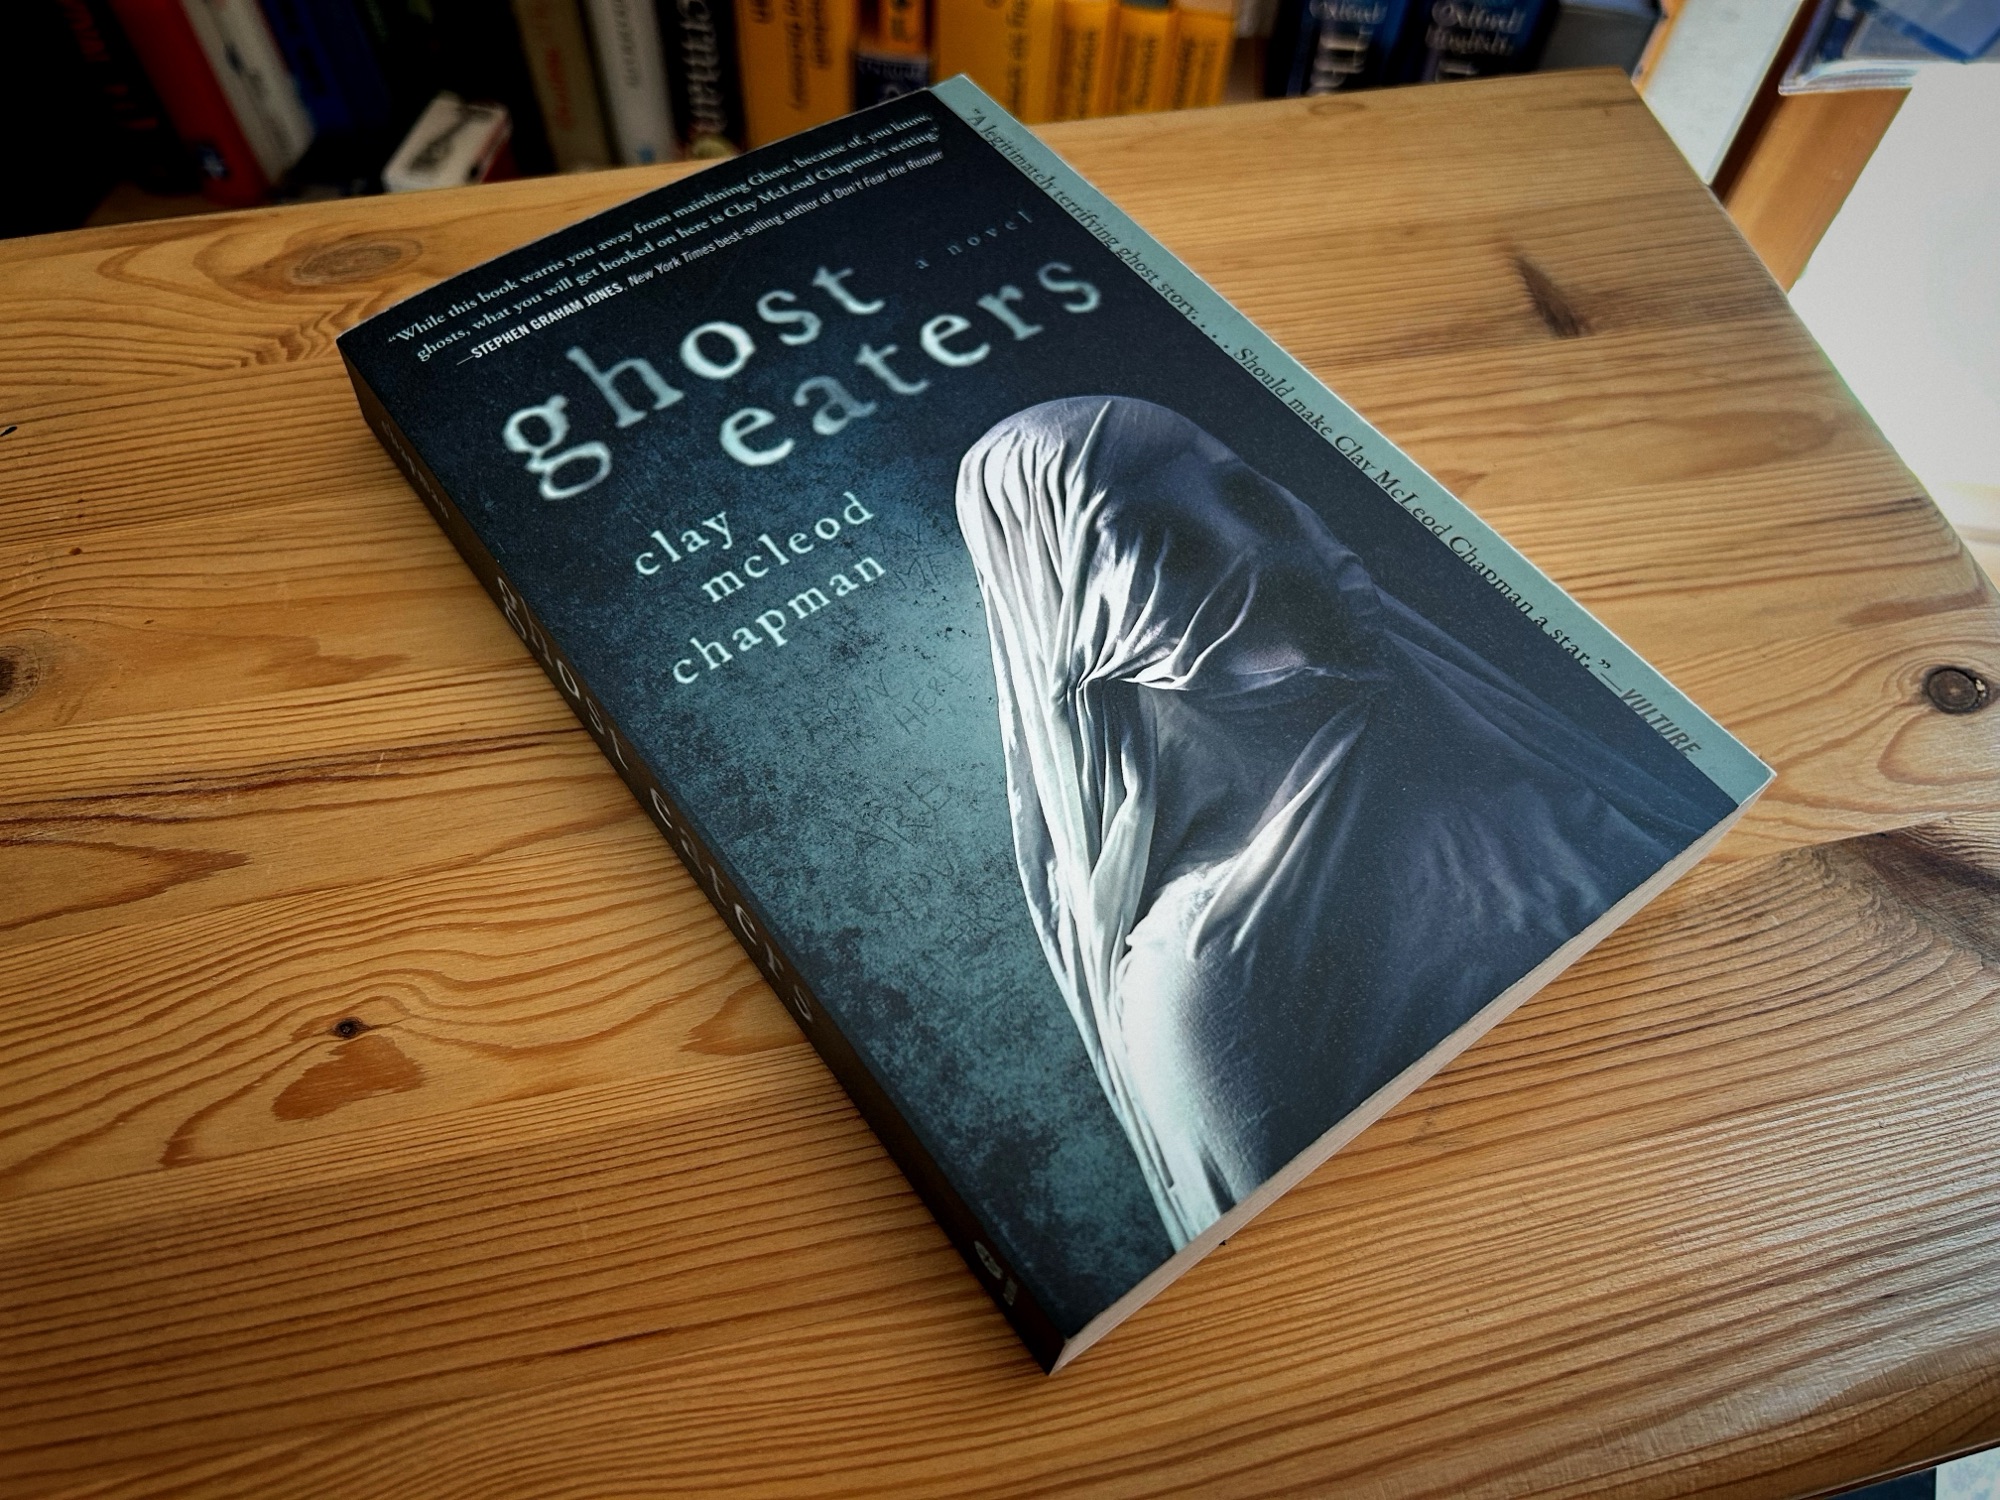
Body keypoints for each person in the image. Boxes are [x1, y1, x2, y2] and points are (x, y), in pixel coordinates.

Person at [956, 395, 1719, 1247]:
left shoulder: (1496, 743)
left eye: (1249, 498)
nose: (1256, 550)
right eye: (1162, 545)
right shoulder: (1212, 974)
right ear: (1079, 623)